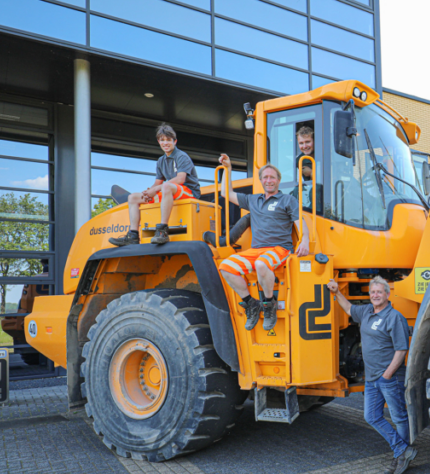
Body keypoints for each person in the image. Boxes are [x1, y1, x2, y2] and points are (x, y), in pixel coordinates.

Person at [326, 276, 418, 474]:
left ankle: (400, 457)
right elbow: (349, 309)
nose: (375, 295)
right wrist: (336, 292)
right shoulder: (367, 311)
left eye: (379, 292)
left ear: (387, 294)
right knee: (371, 416)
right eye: (372, 292)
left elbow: (402, 350)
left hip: (389, 378)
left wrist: (386, 375)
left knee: (399, 417)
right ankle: (403, 450)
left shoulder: (395, 317)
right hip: (372, 379)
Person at [217, 153, 310, 331]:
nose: (269, 180)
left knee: (261, 264)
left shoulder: (287, 200)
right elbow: (225, 193)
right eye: (265, 177)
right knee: (225, 266)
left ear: (278, 180)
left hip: (279, 248)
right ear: (261, 180)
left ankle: (269, 305)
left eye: (272, 177)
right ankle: (251, 303)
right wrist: (228, 169)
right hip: (256, 249)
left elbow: (300, 222)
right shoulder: (253, 199)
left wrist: (304, 239)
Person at [109, 123, 201, 246]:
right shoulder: (160, 161)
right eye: (162, 140)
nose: (166, 143)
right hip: (170, 191)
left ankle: (162, 230)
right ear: (158, 142)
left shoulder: (181, 156)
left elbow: (180, 179)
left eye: (169, 140)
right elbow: (157, 183)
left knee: (166, 186)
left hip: (189, 192)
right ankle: (133, 235)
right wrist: (147, 193)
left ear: (175, 141)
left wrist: (158, 188)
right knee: (133, 197)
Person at [294, 126, 316, 209]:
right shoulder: (299, 161)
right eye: (301, 143)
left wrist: (311, 173)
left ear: (314, 141)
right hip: (309, 198)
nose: (304, 146)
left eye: (307, 142)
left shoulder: (324, 154)